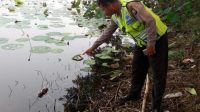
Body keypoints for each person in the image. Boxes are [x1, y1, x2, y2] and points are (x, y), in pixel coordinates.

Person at [83, 0, 168, 111]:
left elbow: (150, 21)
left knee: (158, 74)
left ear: (110, 4)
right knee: (137, 68)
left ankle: (156, 107)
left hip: (157, 39)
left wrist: (151, 44)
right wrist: (93, 47)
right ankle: (134, 95)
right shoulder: (115, 17)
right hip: (141, 42)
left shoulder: (131, 6)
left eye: (104, 9)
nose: (104, 12)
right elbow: (107, 33)